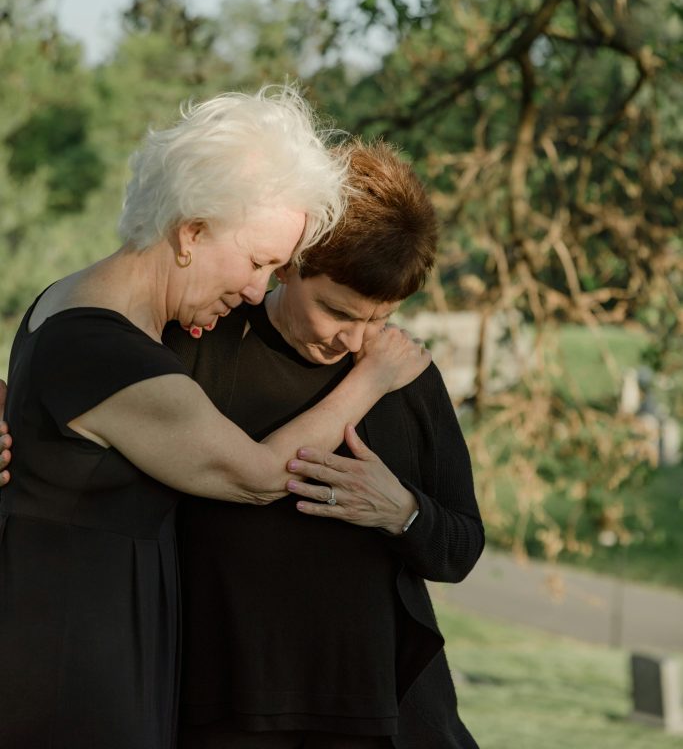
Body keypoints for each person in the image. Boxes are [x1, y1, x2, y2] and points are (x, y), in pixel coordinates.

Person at [0, 91, 429, 749]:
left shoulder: (89, 306)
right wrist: (370, 379)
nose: (259, 291)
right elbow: (257, 475)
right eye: (258, 262)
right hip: (74, 657)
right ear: (191, 231)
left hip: (100, 633)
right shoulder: (103, 348)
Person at [163, 139, 484, 749]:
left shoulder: (405, 372)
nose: (355, 340)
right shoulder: (201, 339)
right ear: (291, 261)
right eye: (338, 311)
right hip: (227, 709)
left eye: (380, 318)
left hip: (379, 709)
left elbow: (461, 548)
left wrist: (405, 514)